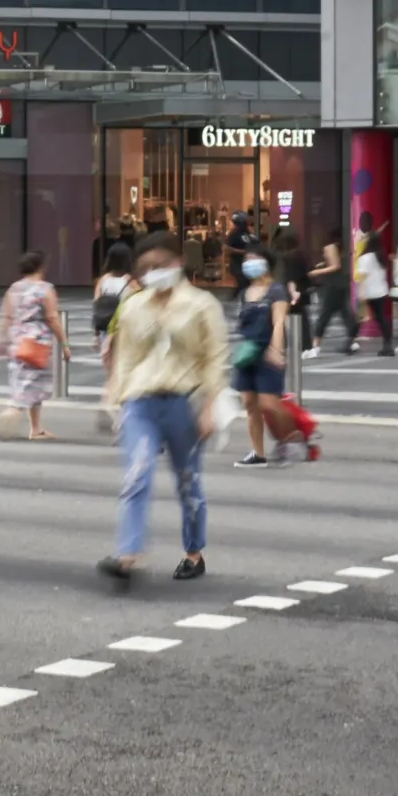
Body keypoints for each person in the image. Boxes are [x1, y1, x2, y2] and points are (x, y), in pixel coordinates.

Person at [98, 233, 227, 587]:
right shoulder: (134, 305)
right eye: (145, 268)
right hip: (141, 401)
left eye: (159, 265)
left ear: (178, 262)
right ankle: (127, 556)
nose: (152, 272)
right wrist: (117, 402)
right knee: (136, 473)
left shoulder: (201, 305)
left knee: (188, 483)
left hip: (184, 401)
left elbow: (214, 358)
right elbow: (125, 357)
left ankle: (193, 552)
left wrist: (209, 407)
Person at [0, 252, 70, 440]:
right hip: (37, 343)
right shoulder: (45, 289)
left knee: (26, 382)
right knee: (33, 384)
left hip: (17, 341)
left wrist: (2, 340)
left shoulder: (13, 289)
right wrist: (64, 343)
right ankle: (12, 411)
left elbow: (6, 316)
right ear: (40, 267)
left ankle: (35, 428)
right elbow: (52, 317)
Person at [230, 248, 291, 467]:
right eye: (246, 260)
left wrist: (276, 350)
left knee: (269, 403)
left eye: (253, 259)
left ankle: (293, 436)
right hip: (248, 353)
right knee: (249, 403)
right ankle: (258, 453)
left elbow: (279, 322)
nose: (249, 264)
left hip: (267, 351)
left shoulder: (276, 290)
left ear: (266, 263)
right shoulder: (245, 292)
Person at [93, 241, 140, 437]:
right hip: (123, 332)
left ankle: (107, 402)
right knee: (125, 374)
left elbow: (96, 308)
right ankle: (117, 414)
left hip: (105, 331)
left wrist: (96, 335)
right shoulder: (131, 282)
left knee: (111, 374)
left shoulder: (102, 281)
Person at [307, 226, 355, 356]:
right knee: (345, 314)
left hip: (333, 285)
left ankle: (315, 345)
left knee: (325, 314)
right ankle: (352, 340)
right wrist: (322, 265)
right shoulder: (341, 247)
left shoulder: (330, 247)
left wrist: (316, 272)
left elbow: (335, 266)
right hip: (342, 284)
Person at [355, 224, 394, 357]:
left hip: (369, 292)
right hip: (381, 291)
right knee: (381, 318)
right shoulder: (381, 256)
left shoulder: (364, 258)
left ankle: (350, 341)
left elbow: (362, 277)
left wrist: (360, 292)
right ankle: (388, 344)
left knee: (360, 316)